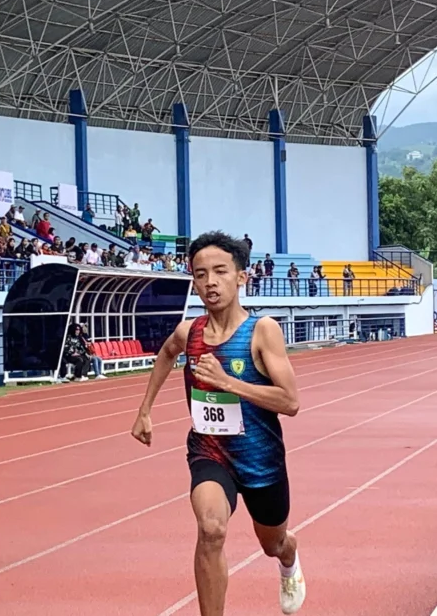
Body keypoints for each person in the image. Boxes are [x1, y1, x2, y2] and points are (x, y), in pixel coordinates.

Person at [130, 231, 305, 615]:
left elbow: (290, 402)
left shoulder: (262, 331)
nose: (210, 282)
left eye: (220, 272)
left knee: (272, 543)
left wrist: (227, 382)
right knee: (211, 530)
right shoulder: (189, 332)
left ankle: (289, 559)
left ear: (241, 277)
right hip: (210, 451)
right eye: (200, 274)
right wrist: (145, 410)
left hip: (260, 459)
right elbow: (166, 354)